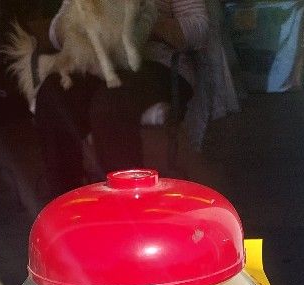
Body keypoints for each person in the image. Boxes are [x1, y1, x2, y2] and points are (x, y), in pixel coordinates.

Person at [34, 0, 208, 198]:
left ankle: (127, 205)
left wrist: (144, 20)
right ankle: (66, 199)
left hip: (157, 63)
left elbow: (200, 29)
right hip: (99, 61)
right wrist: (80, 22)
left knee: (110, 106)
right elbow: (55, 31)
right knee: (52, 94)